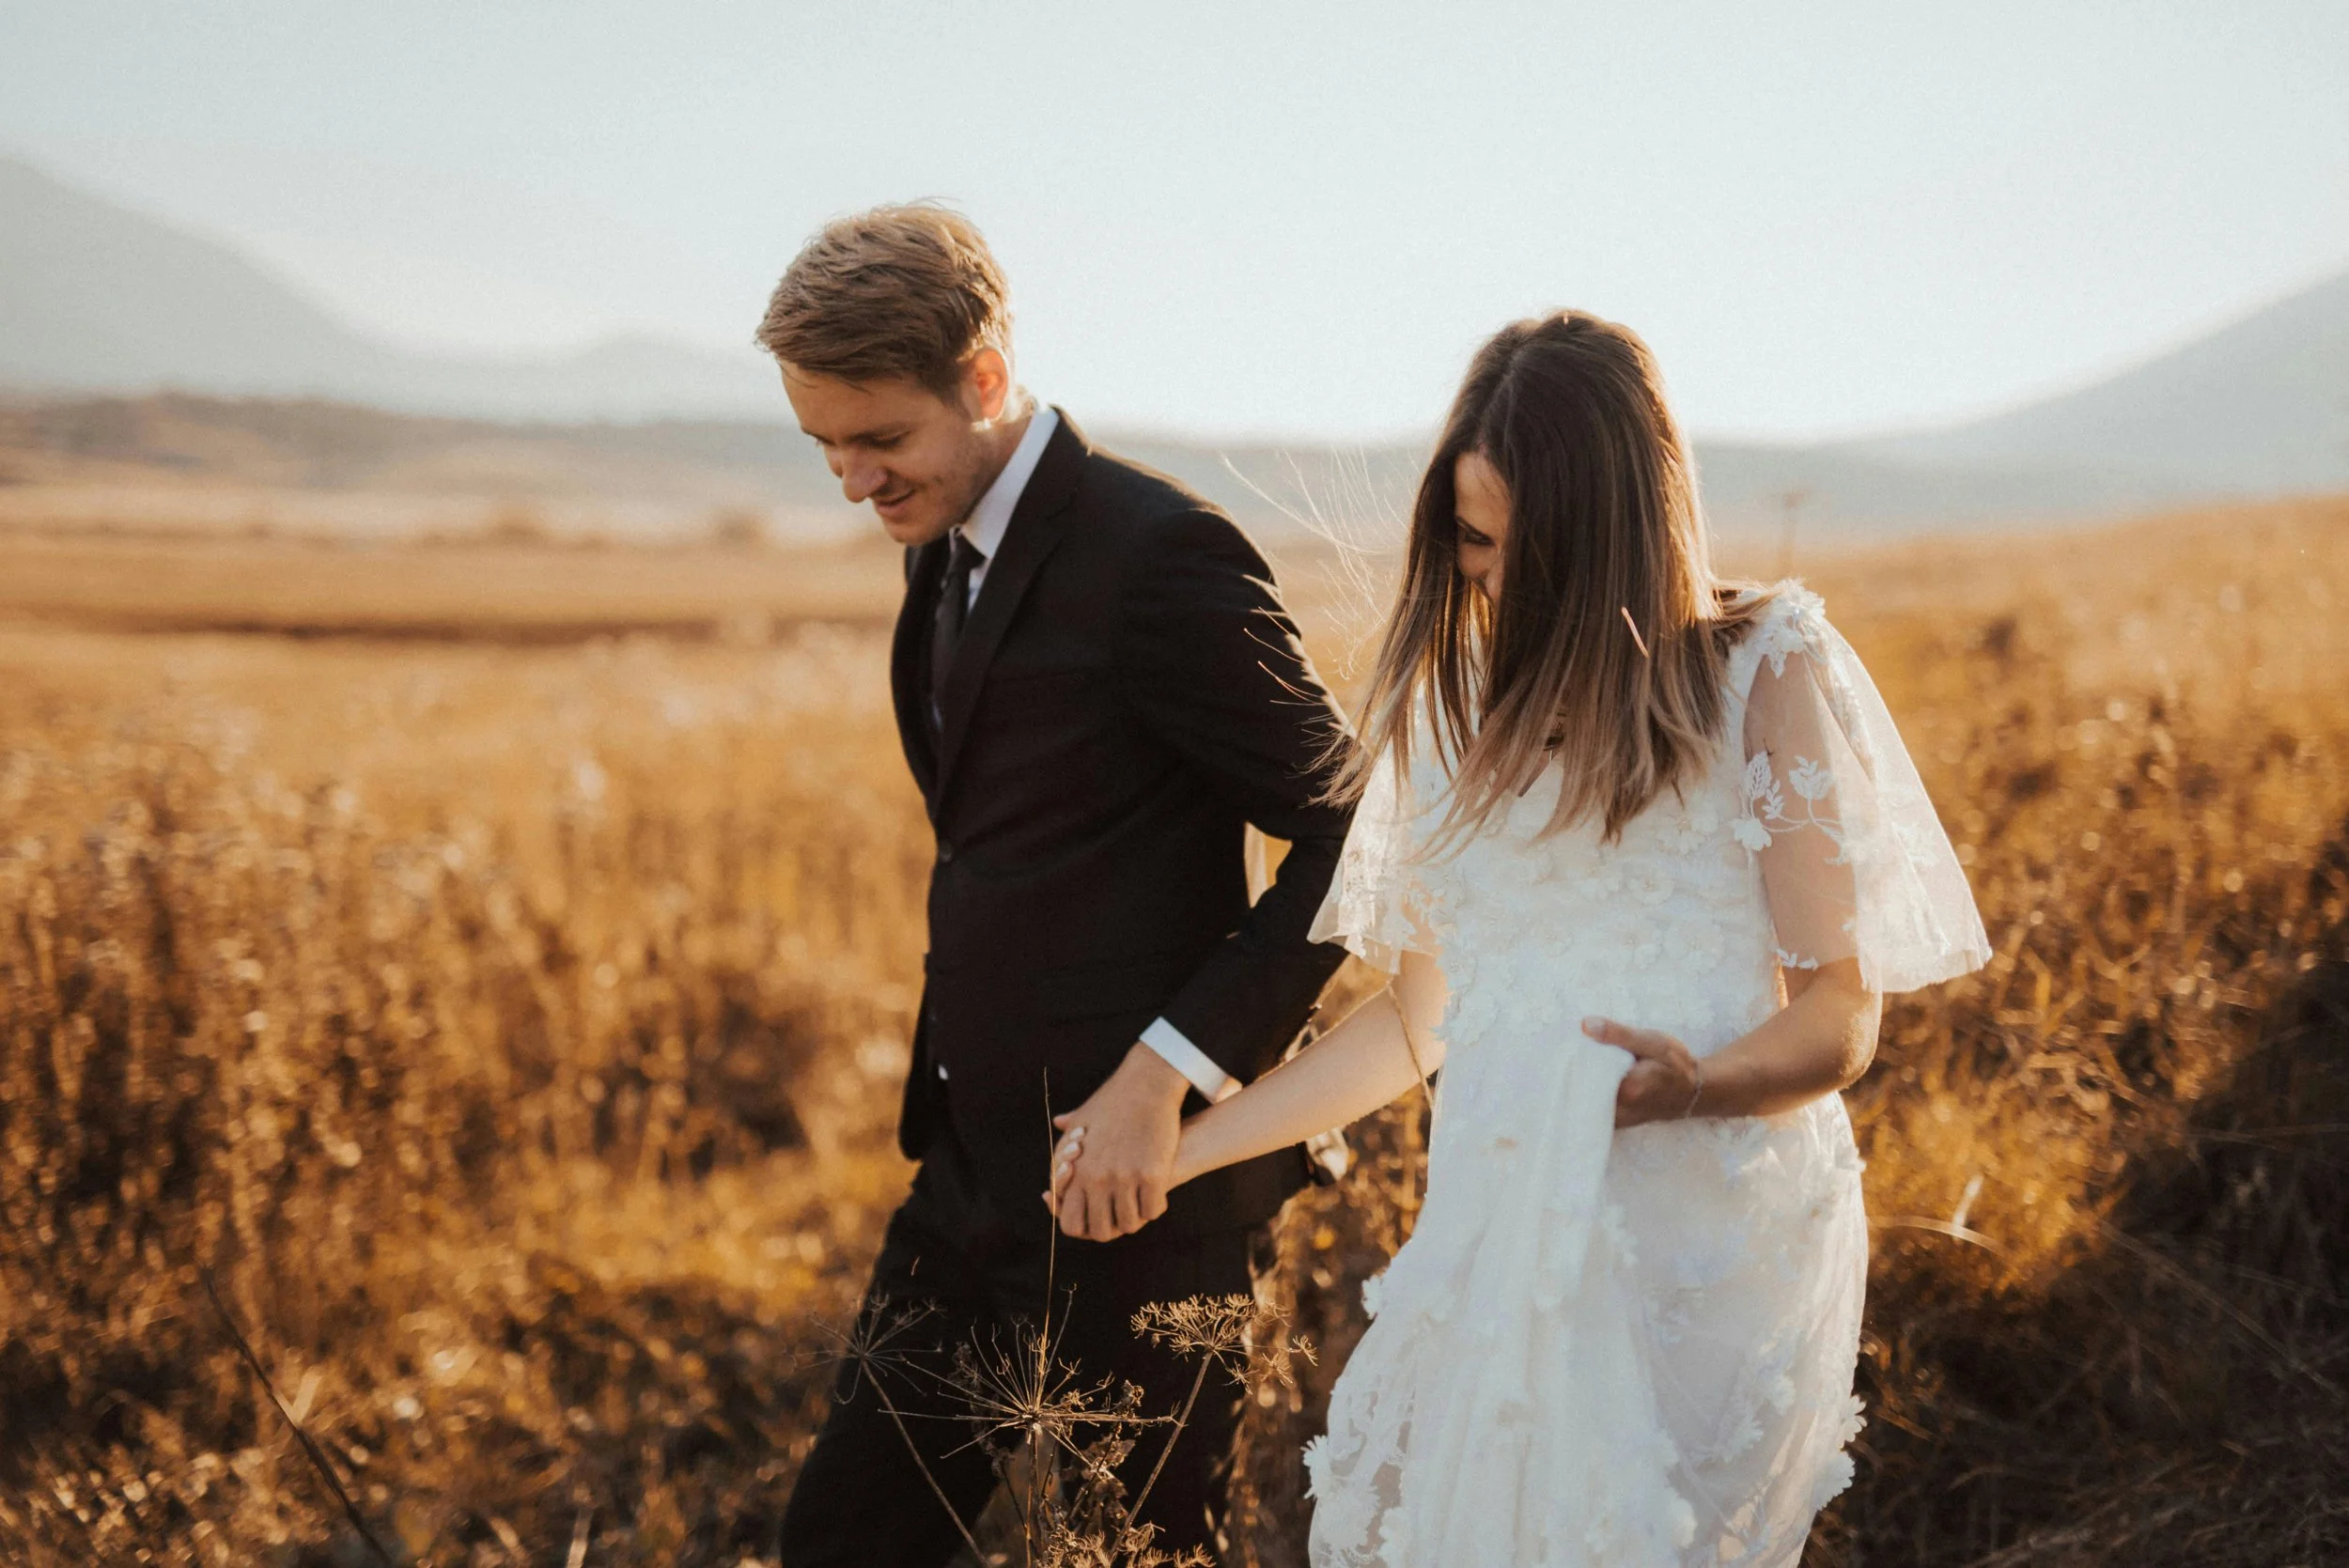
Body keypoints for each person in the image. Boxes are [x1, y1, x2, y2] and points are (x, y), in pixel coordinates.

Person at [1053, 310, 1991, 1565]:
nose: (1477, 577)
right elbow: (1415, 1023)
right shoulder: (1450, 715)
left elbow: (1839, 1013)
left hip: (1709, 1242)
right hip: (1498, 1237)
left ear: (1602, 538)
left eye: (1499, 546)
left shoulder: (1763, 668)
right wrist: (1186, 1149)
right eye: (1463, 541)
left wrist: (1699, 1084)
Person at [763, 204, 1354, 1566]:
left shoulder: (1162, 556)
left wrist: (1166, 1075)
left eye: (880, 439)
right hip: (967, 1182)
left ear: (982, 378)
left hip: (1150, 1202)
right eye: (825, 448)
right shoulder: (942, 542)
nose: (854, 481)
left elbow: (1352, 838)